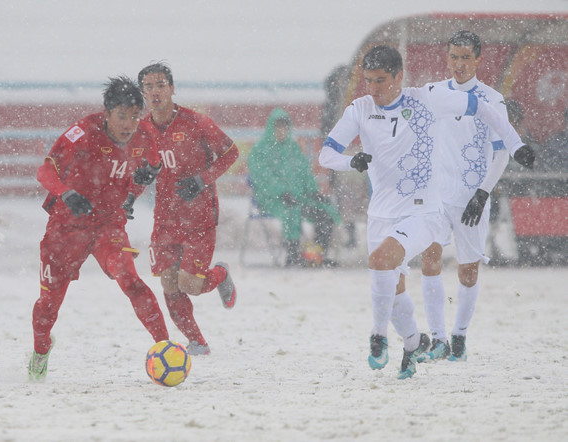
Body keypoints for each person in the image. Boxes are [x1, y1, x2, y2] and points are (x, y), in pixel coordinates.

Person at [319, 45, 532, 379]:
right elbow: (326, 155)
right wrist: (351, 161)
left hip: (424, 211)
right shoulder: (360, 108)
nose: (373, 89)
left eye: (381, 81)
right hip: (382, 213)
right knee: (392, 286)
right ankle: (414, 342)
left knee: (384, 261)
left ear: (399, 77)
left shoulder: (428, 99)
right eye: (368, 81)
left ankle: (383, 336)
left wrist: (516, 145)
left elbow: (486, 111)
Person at [29, 76, 170, 380]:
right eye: (122, 115)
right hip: (66, 227)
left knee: (130, 279)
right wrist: (65, 193)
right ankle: (41, 349)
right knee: (48, 306)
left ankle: (165, 347)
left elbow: (151, 166)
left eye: (134, 115)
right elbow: (45, 169)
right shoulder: (81, 133)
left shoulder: (144, 135)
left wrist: (136, 190)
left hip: (108, 224)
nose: (129, 124)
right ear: (106, 113)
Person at [417, 31, 534, 364]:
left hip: (472, 198)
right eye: (453, 57)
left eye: (466, 57)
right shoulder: (435, 93)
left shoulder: (491, 99)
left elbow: (501, 153)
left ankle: (459, 337)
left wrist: (482, 194)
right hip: (437, 196)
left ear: (478, 59)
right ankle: (438, 338)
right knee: (429, 259)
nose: (459, 64)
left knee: (467, 270)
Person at [137, 62, 239, 356]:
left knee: (190, 285)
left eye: (160, 85)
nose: (155, 92)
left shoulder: (196, 122)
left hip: (199, 218)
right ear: (143, 92)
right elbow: (138, 169)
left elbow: (230, 152)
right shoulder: (142, 129)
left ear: (172, 88)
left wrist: (201, 180)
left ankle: (220, 274)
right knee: (169, 283)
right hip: (165, 219)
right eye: (149, 87)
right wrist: (134, 188)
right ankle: (198, 342)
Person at [247, 108, 341, 266]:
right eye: (278, 127)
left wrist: (313, 192)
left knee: (325, 211)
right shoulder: (259, 150)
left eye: (284, 127)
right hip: (272, 199)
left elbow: (305, 173)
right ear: (271, 127)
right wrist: (281, 193)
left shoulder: (293, 148)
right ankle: (292, 256)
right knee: (291, 212)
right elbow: (263, 178)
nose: (281, 131)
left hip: (299, 197)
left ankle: (317, 256)